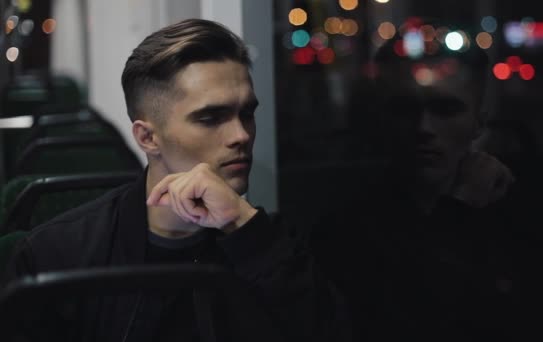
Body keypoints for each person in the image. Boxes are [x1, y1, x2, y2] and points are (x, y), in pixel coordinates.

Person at [2, 19, 350, 342]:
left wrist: (243, 225)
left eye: (246, 113)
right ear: (148, 138)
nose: (241, 135)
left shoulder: (272, 244)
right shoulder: (57, 254)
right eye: (211, 118)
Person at [311, 18, 543, 342]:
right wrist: (458, 210)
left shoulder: (520, 214)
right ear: (383, 119)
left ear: (478, 122)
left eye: (445, 109)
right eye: (405, 109)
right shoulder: (346, 231)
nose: (424, 128)